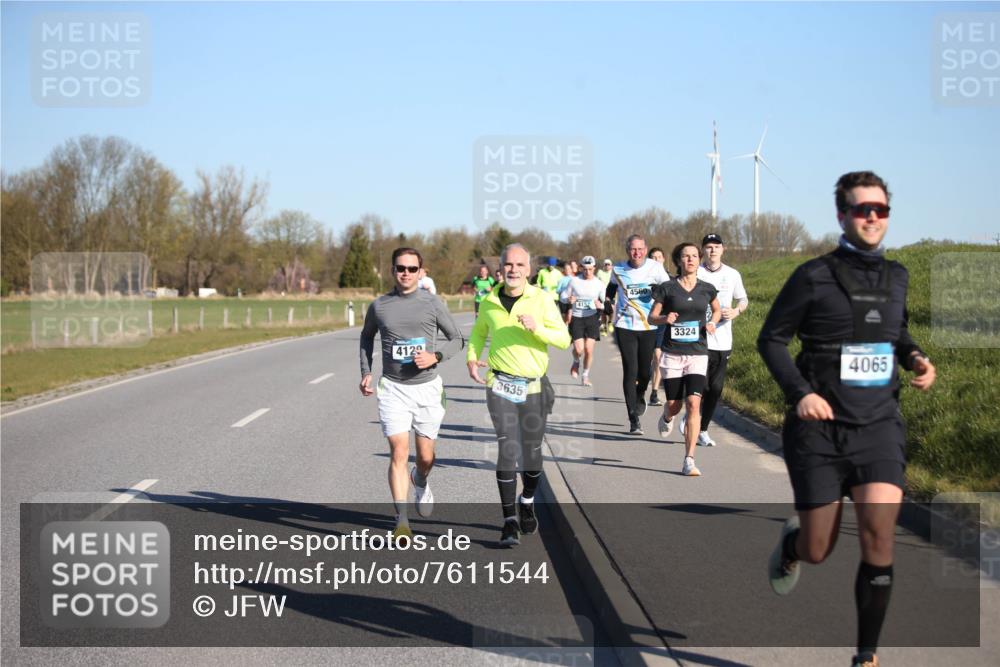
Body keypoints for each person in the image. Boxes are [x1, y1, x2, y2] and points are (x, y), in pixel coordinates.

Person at [758, 171, 936, 667]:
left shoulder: (897, 275)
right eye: (863, 209)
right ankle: (793, 545)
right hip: (820, 431)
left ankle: (866, 656)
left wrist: (916, 356)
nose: (873, 217)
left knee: (880, 535)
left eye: (881, 209)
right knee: (819, 549)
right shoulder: (813, 275)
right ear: (842, 215)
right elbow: (771, 339)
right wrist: (800, 393)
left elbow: (894, 333)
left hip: (878, 425)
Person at [467, 243, 571, 546]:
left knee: (532, 453)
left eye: (520, 265)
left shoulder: (541, 299)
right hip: (499, 383)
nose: (513, 270)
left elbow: (563, 340)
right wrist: (472, 358)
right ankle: (509, 520)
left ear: (529, 270)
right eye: (508, 265)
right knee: (508, 447)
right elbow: (478, 333)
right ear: (501, 268)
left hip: (533, 385)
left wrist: (537, 329)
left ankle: (527, 500)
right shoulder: (488, 300)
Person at [359, 248, 464, 541]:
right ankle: (402, 520)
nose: (405, 273)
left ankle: (421, 480)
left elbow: (458, 339)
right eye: (400, 268)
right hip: (393, 388)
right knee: (399, 452)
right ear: (393, 270)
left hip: (428, 388)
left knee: (425, 458)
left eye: (411, 268)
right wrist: (366, 370)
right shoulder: (379, 306)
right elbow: (367, 336)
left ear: (421, 271)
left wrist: (436, 356)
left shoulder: (432, 304)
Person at [649, 243, 721, 476]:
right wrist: (664, 318)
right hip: (672, 353)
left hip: (698, 352)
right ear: (678, 261)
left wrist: (712, 322)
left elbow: (717, 310)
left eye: (693, 256)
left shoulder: (707, 289)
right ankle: (668, 415)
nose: (689, 260)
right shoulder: (667, 288)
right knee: (675, 404)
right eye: (685, 257)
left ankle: (689, 460)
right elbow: (651, 317)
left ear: (699, 260)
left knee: (693, 404)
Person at [679, 233, 748, 446]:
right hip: (699, 340)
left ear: (723, 249)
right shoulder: (695, 272)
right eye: (708, 247)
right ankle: (691, 416)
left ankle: (703, 429)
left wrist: (736, 311)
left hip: (723, 339)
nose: (713, 250)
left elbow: (743, 299)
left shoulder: (732, 274)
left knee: (716, 389)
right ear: (703, 252)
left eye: (716, 247)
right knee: (702, 384)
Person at [607, 234, 671, 434]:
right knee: (630, 369)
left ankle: (641, 393)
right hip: (625, 325)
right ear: (627, 250)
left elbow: (668, 289)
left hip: (648, 326)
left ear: (646, 249)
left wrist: (657, 294)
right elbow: (609, 290)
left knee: (645, 372)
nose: (637, 253)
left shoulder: (655, 267)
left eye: (640, 249)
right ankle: (633, 418)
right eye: (633, 249)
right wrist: (608, 302)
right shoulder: (618, 269)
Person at [564, 255, 605, 386]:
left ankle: (585, 375)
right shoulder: (574, 281)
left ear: (594, 268)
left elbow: (605, 302)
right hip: (577, 318)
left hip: (592, 318)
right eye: (585, 269)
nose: (588, 272)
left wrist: (601, 305)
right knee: (579, 349)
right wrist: (568, 299)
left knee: (589, 349)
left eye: (590, 269)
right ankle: (576, 360)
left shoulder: (599, 284)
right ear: (581, 268)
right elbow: (563, 295)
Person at [647, 247, 668, 407]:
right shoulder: (643, 276)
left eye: (659, 257)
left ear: (663, 259)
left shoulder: (670, 279)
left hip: (659, 322)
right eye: (653, 257)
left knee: (658, 357)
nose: (656, 260)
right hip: (642, 322)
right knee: (645, 358)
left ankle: (654, 393)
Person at [597, 259, 613, 335]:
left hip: (611, 294)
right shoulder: (600, 272)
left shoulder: (613, 273)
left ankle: (610, 322)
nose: (607, 266)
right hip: (601, 294)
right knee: (603, 312)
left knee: (611, 311)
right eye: (605, 264)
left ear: (611, 265)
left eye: (608, 264)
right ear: (604, 265)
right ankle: (604, 328)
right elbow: (596, 282)